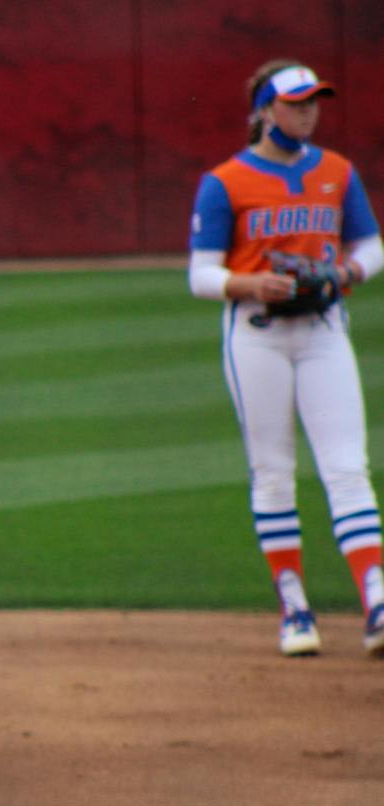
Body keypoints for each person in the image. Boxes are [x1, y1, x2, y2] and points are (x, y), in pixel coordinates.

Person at [188, 60, 384, 656]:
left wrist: (347, 270)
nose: (307, 112)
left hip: (324, 331)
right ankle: (294, 605)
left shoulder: (337, 172)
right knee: (273, 471)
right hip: (257, 336)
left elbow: (372, 246)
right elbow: (201, 273)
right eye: (296, 103)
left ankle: (377, 599)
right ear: (265, 111)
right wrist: (250, 285)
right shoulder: (224, 181)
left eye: (313, 103)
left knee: (348, 468)